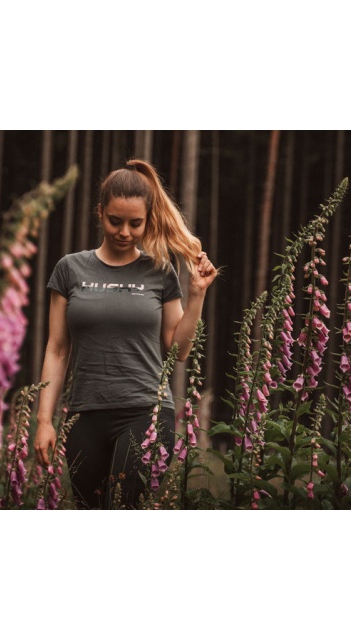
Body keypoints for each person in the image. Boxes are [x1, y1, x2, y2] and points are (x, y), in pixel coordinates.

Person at [34, 158, 217, 508]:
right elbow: (57, 349)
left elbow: (178, 350)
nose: (125, 232)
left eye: (136, 223)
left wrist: (197, 294)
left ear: (148, 220)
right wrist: (44, 420)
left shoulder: (160, 271)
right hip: (84, 415)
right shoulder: (69, 269)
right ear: (100, 212)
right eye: (115, 221)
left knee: (124, 507)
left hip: (146, 412)